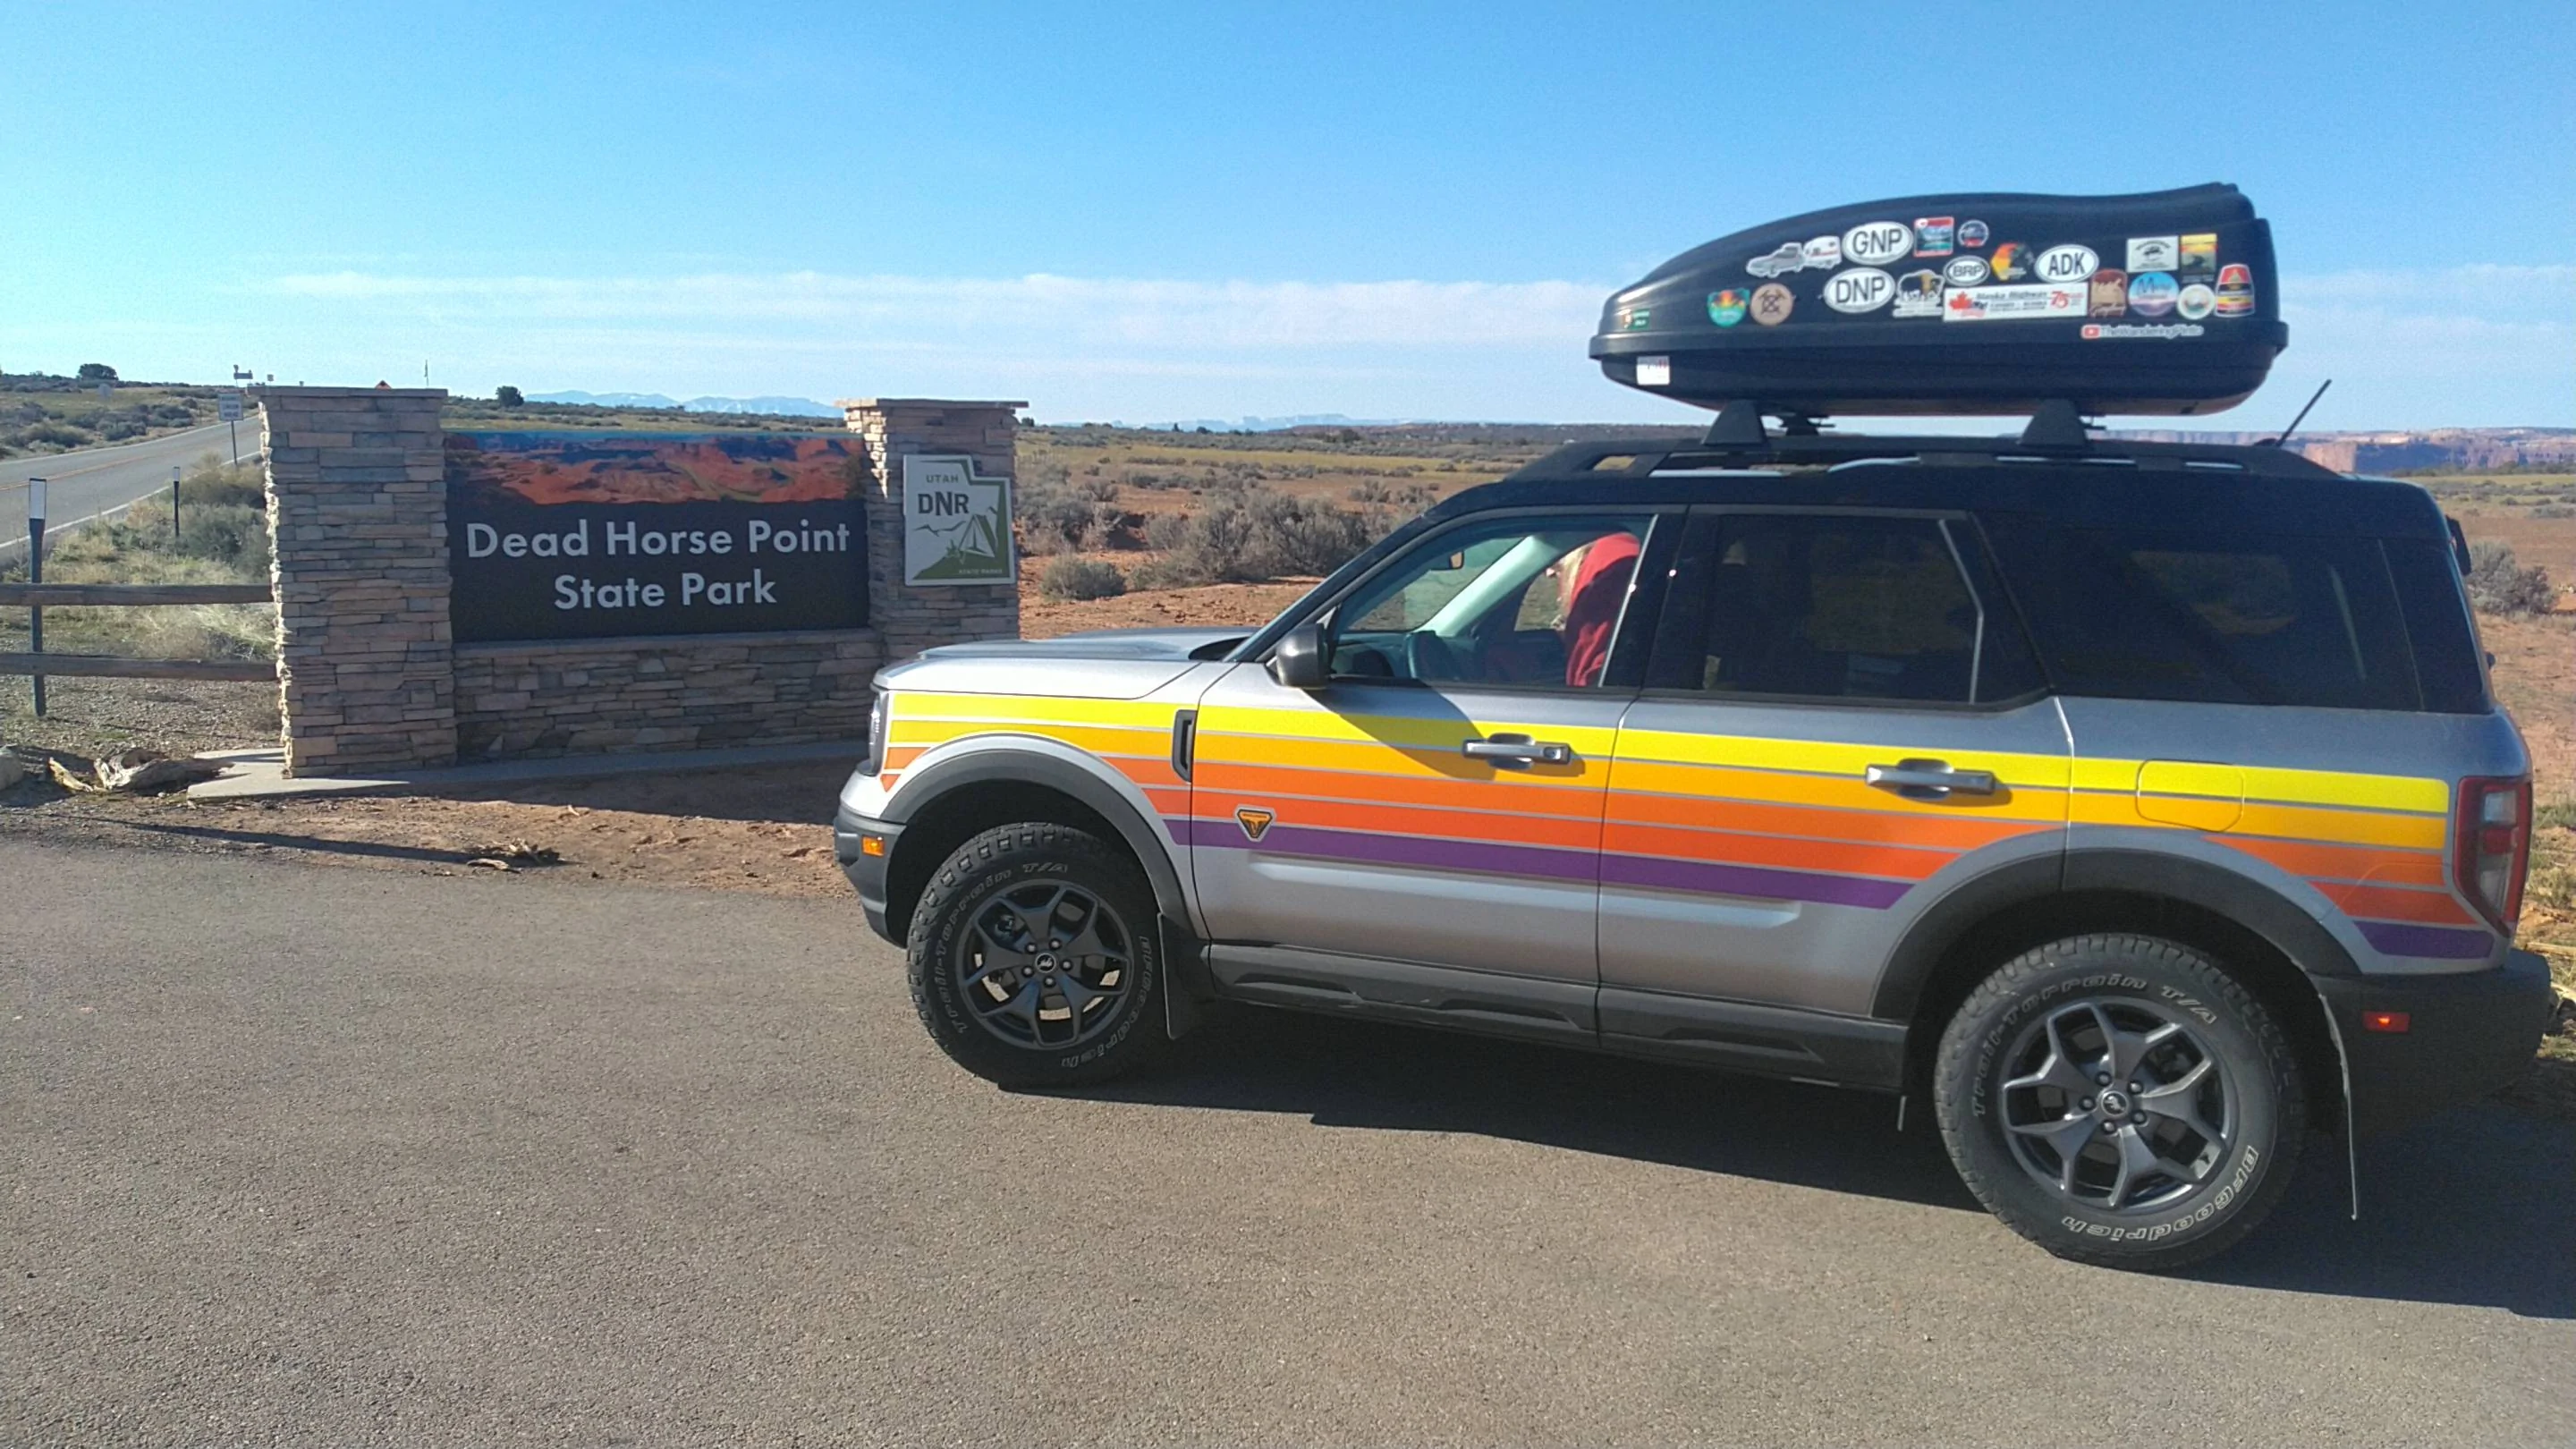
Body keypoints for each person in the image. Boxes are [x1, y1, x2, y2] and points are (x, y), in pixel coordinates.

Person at [1557, 529, 1640, 688]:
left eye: (1557, 564)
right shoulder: (1626, 551)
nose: (1549, 573)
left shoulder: (1611, 574)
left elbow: (1596, 676)